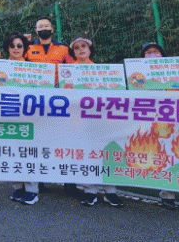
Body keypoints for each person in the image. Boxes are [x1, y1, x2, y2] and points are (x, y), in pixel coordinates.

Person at [139, 42, 179, 212]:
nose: (152, 55)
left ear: (162, 55)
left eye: (155, 52)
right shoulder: (139, 76)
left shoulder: (177, 69)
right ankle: (167, 195)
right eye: (148, 52)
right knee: (163, 157)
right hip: (157, 124)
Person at [69, 37, 124, 208]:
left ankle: (110, 191)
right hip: (79, 120)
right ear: (73, 53)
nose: (81, 49)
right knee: (87, 155)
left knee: (105, 154)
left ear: (90, 50)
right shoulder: (68, 72)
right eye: (77, 48)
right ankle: (90, 190)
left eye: (84, 46)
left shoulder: (102, 71)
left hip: (102, 120)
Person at [25, 18, 76, 196]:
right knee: (39, 138)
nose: (44, 29)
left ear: (52, 29)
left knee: (64, 138)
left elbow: (74, 69)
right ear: (36, 30)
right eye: (40, 27)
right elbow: (18, 67)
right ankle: (39, 179)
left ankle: (69, 182)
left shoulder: (64, 49)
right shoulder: (29, 48)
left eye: (46, 26)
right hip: (36, 100)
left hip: (60, 100)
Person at [0, 32, 41, 205]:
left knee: (29, 152)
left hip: (29, 117)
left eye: (20, 46)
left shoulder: (33, 68)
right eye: (12, 46)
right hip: (7, 114)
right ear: (7, 48)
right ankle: (18, 186)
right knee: (11, 152)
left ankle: (32, 190)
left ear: (25, 48)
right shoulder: (0, 67)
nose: (16, 49)